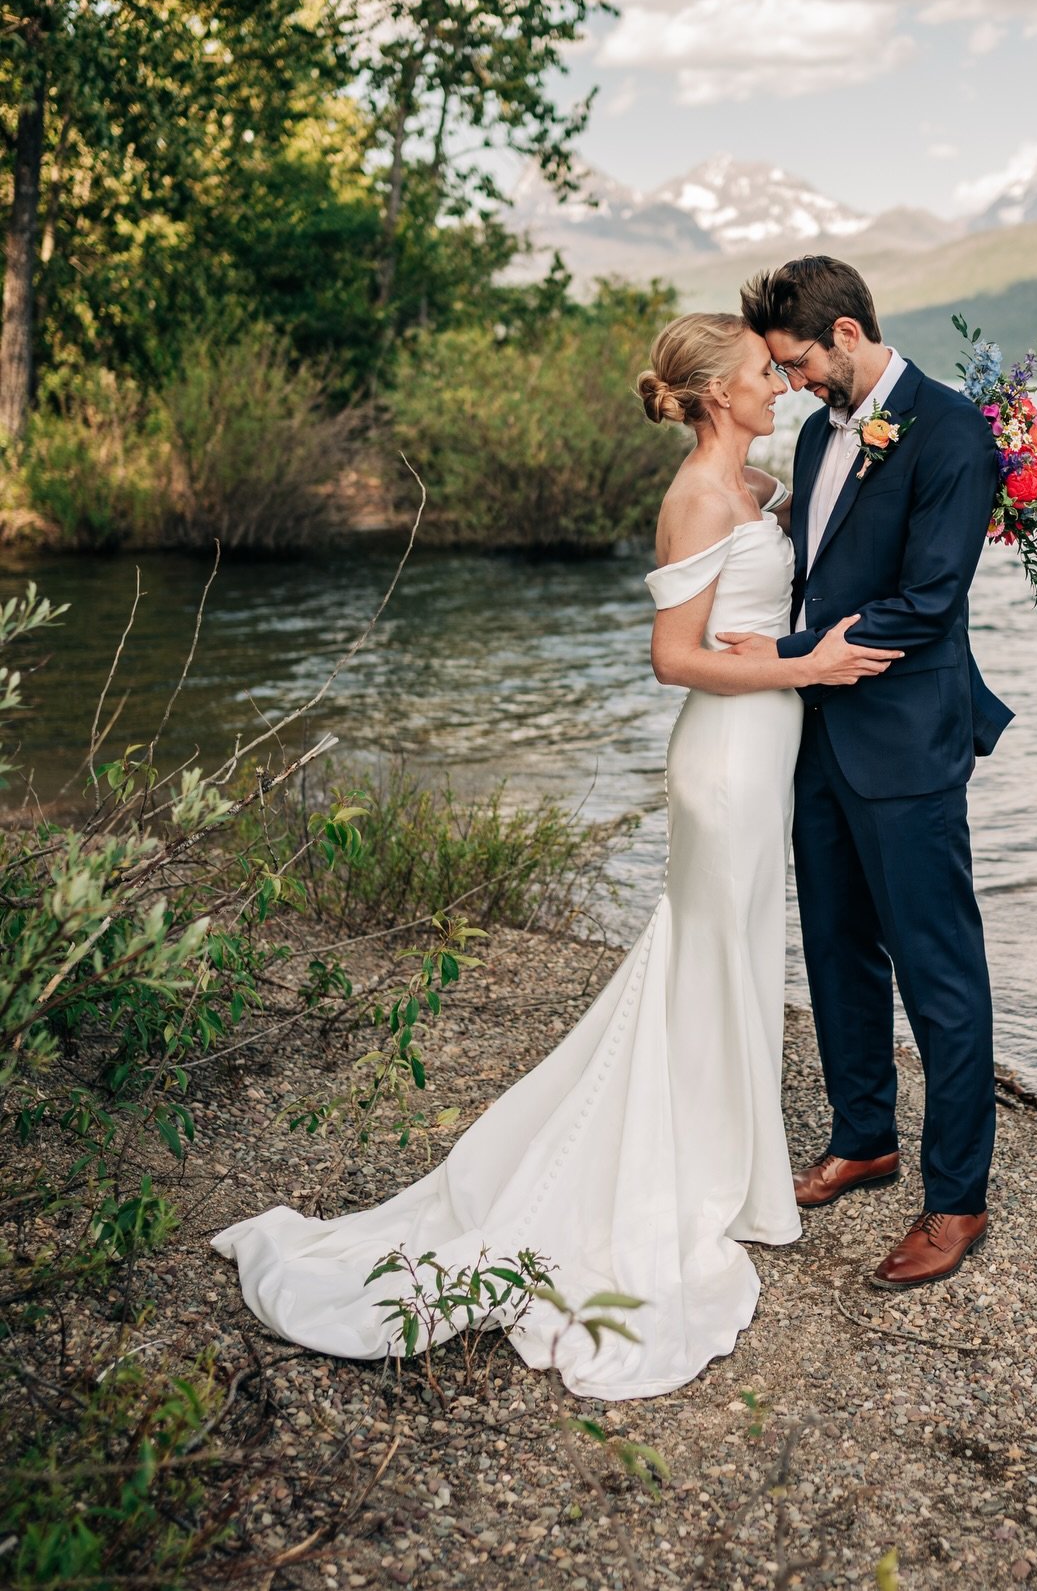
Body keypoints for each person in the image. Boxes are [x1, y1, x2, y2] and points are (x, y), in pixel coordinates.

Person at [212, 311, 901, 1399]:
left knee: (729, 959)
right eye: (767, 373)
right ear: (718, 393)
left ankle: (727, 1159)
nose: (783, 385)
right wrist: (806, 670)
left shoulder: (755, 490)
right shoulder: (696, 498)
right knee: (711, 954)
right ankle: (704, 1172)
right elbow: (674, 659)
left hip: (765, 751)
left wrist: (793, 647)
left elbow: (754, 609)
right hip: (724, 761)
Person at [729, 255, 1012, 1288]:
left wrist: (798, 650)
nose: (793, 384)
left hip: (904, 742)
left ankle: (957, 1197)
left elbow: (931, 596)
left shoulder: (951, 431)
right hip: (815, 735)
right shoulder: (814, 432)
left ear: (847, 333)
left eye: (799, 363)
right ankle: (864, 1134)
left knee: (940, 971)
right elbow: (814, 560)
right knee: (839, 946)